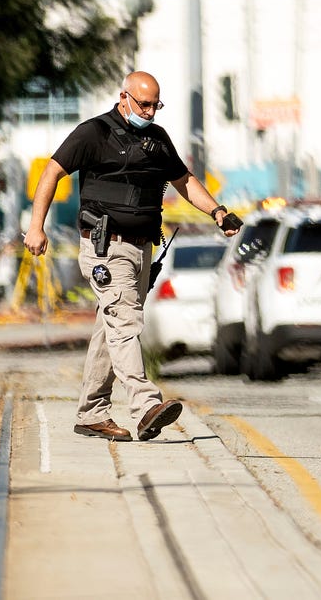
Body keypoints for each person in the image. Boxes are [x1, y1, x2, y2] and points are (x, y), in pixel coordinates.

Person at [24, 71, 240, 442]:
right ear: (123, 97)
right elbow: (51, 173)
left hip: (142, 247)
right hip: (105, 248)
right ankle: (144, 405)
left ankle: (91, 412)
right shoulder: (94, 133)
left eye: (156, 105)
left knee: (110, 328)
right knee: (125, 322)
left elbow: (184, 180)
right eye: (144, 104)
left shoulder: (157, 139)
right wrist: (36, 226)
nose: (151, 112)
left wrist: (218, 212)